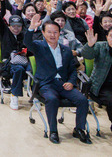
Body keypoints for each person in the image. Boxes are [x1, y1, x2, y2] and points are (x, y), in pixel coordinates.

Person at [24, 13, 91, 145]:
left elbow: (72, 70)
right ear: (43, 33)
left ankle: (79, 129)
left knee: (82, 100)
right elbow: (27, 42)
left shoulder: (66, 49)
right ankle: (53, 131)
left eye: (55, 32)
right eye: (49, 32)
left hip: (64, 84)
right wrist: (31, 28)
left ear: (60, 33)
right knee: (52, 99)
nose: (52, 35)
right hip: (46, 84)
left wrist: (71, 82)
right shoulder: (39, 46)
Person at [0, 15, 29, 110]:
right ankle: (14, 95)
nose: (16, 29)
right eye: (13, 26)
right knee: (19, 69)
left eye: (18, 26)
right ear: (9, 26)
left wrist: (26, 52)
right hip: (8, 63)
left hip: (23, 61)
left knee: (34, 68)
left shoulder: (24, 36)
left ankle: (35, 95)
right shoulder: (5, 34)